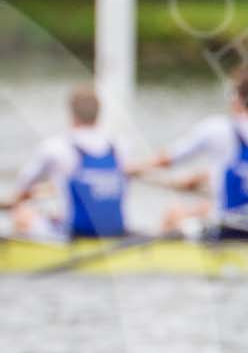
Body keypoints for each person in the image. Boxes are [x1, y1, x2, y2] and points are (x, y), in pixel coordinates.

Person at [9, 85, 157, 239]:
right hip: (116, 232)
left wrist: (19, 198)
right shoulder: (119, 146)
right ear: (99, 113)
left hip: (75, 234)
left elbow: (23, 183)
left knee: (22, 215)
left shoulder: (56, 147)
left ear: (71, 113)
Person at [148, 66, 248, 239]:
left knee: (173, 215)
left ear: (236, 98)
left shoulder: (219, 129)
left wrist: (127, 168)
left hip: (224, 235)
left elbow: (166, 159)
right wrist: (200, 178)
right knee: (205, 208)